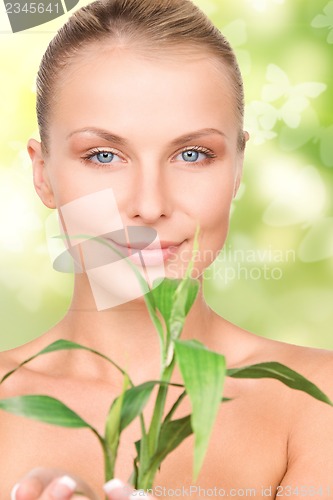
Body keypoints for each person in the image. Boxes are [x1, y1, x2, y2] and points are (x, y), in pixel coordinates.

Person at [1, 0, 333, 498]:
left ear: (238, 169)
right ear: (43, 174)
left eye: (193, 154)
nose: (150, 205)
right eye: (104, 155)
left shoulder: (316, 397)